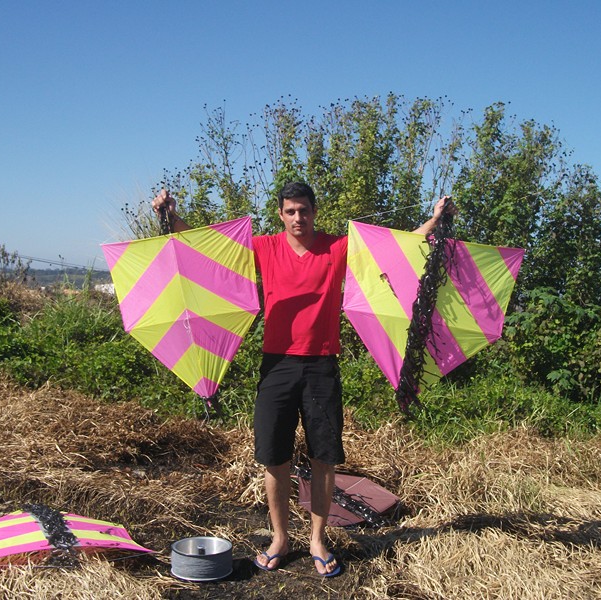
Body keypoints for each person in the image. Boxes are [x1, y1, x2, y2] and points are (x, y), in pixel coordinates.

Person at [153, 182, 452, 577]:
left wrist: (434, 219)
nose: (298, 218)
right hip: (276, 365)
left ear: (315, 211)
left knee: (324, 458)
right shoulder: (264, 247)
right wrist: (171, 217)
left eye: (304, 211)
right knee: (274, 457)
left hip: (321, 366)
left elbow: (398, 251)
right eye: (291, 211)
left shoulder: (338, 246)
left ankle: (317, 539)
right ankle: (280, 538)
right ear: (280, 214)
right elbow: (206, 249)